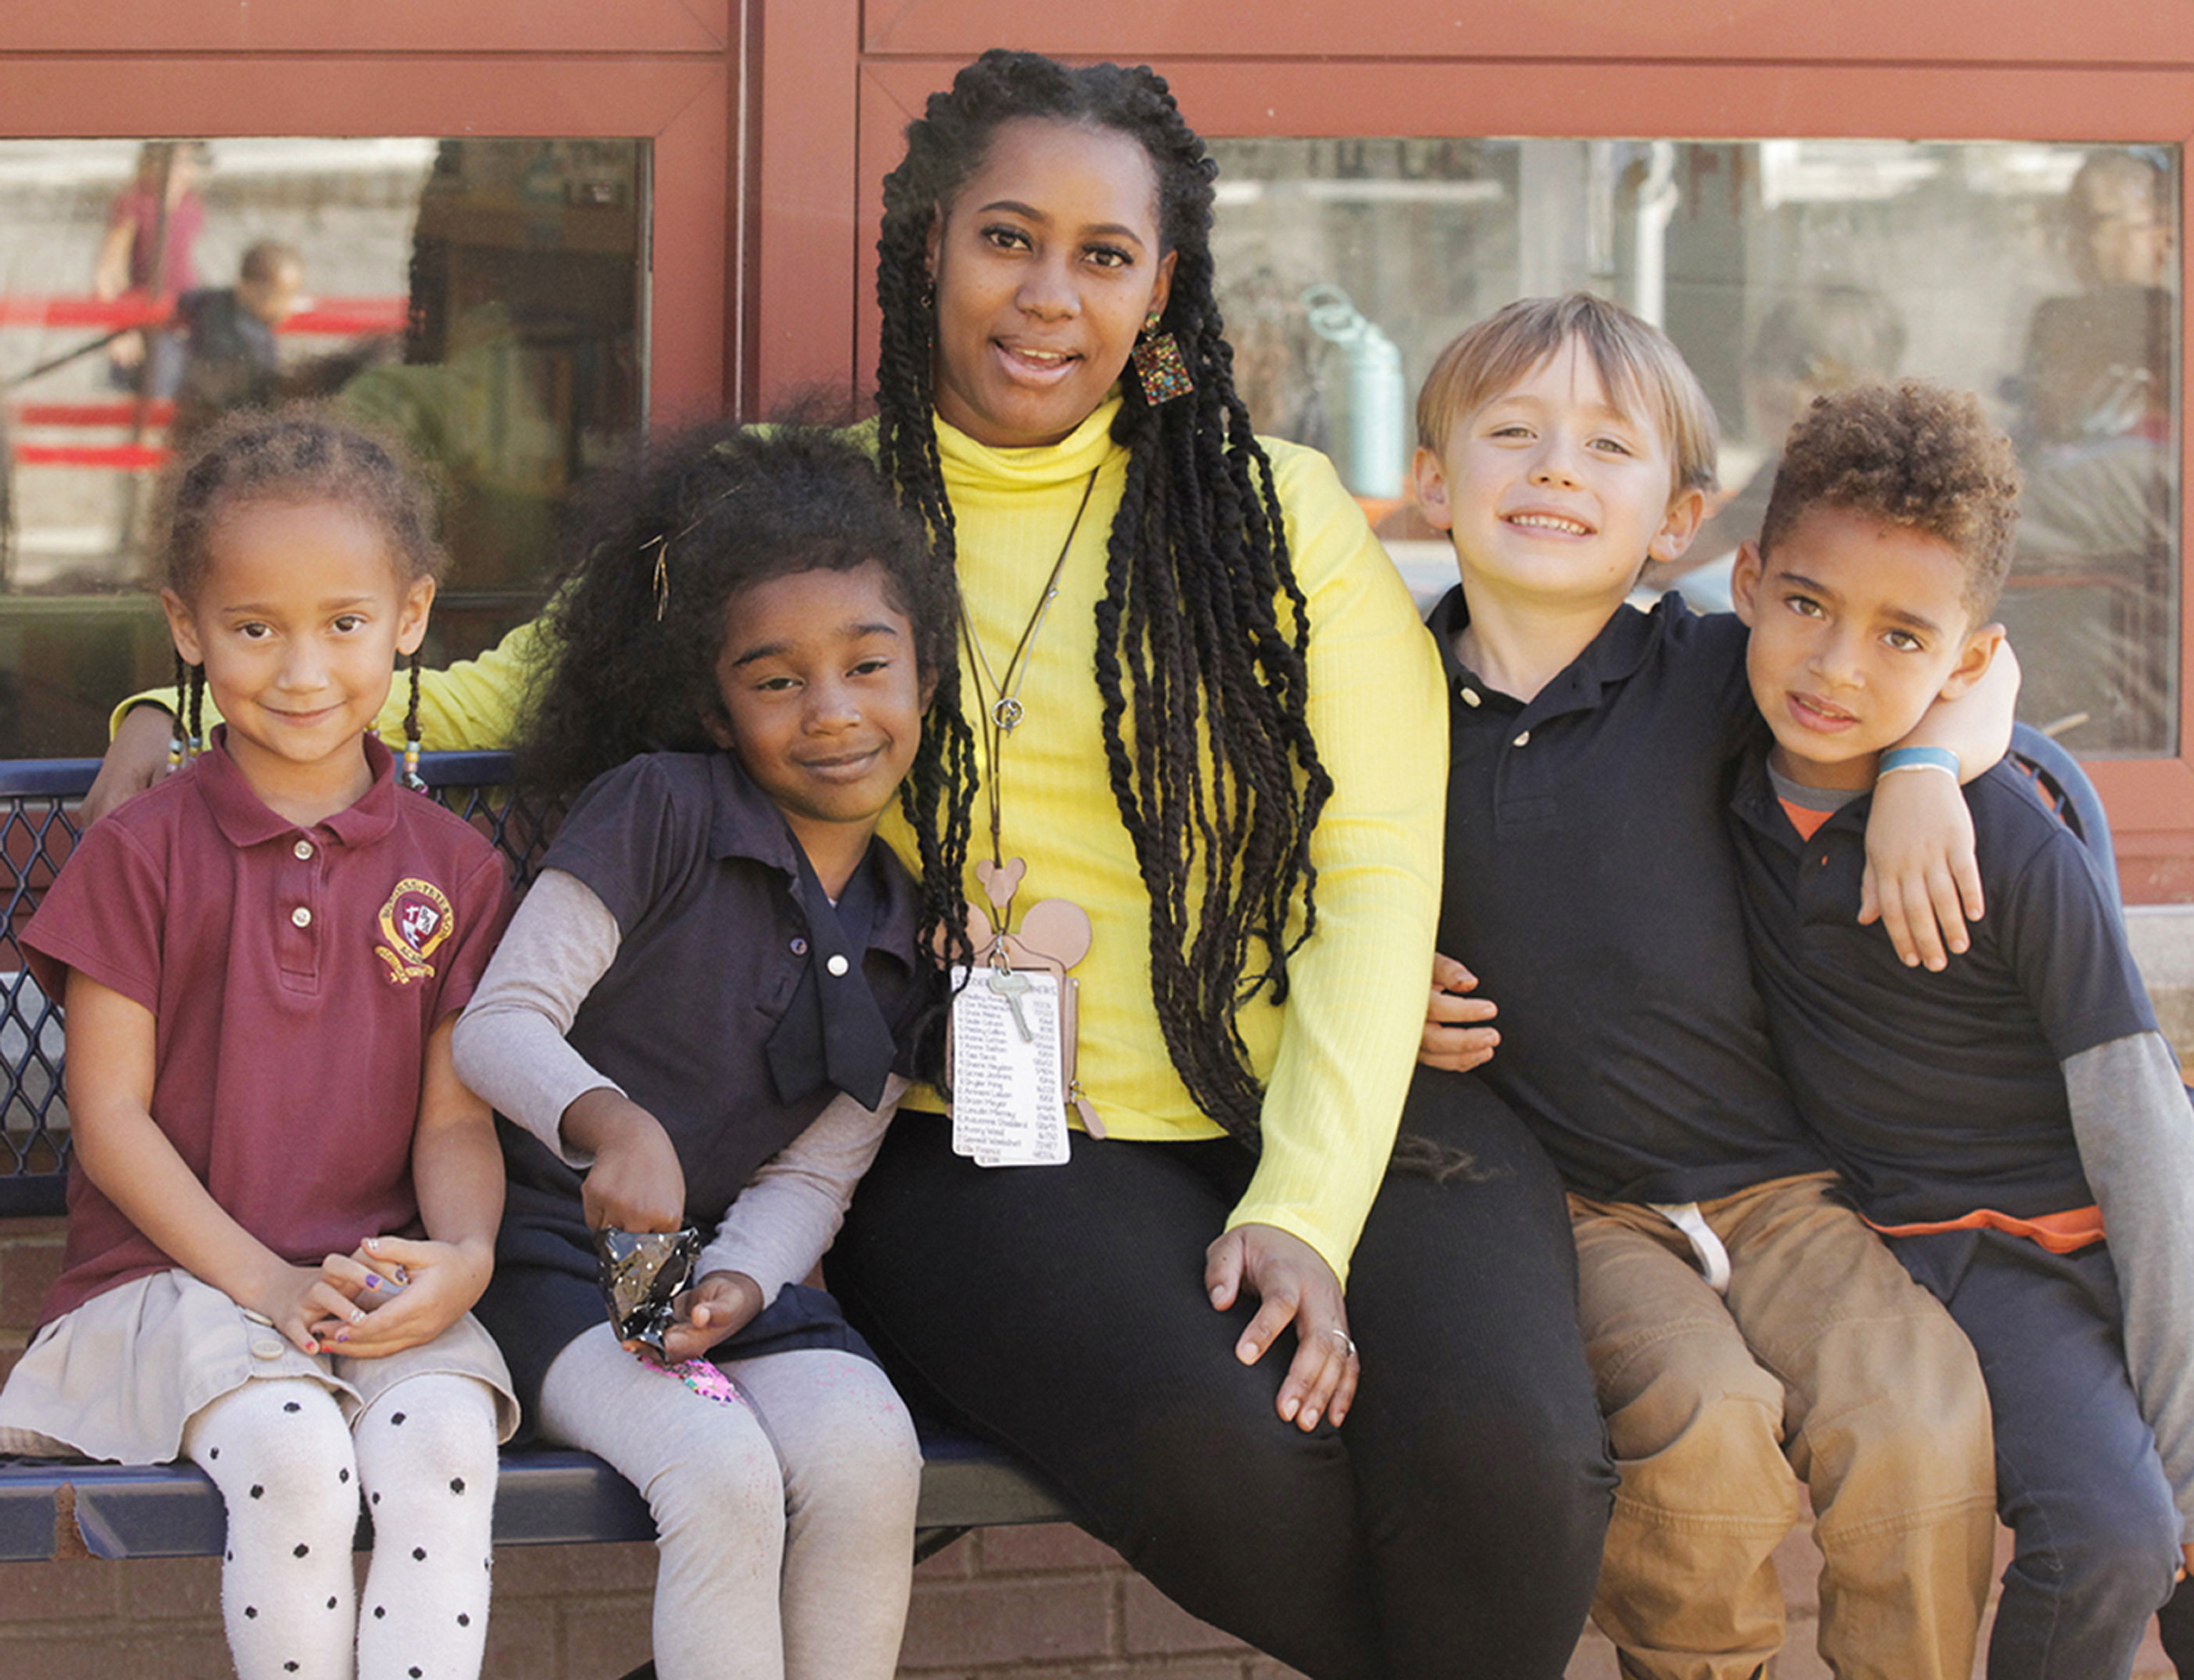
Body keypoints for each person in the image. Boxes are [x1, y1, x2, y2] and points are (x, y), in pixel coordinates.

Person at [83, 49, 1612, 1680]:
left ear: (1162, 288)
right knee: (1231, 1461)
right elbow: (454, 696)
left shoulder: (1279, 513)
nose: (1048, 297)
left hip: (1331, 1093)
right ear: (926, 242)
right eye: (1006, 239)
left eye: (1103, 258)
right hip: (985, 1135)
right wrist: (157, 707)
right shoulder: (796, 510)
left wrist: (1304, 1207)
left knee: (1518, 1473)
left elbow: (1380, 867)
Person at [1411, 294, 2003, 1680]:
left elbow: (1981, 658)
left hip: (1783, 1185)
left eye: (1608, 447)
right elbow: (1290, 890)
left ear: (1677, 521)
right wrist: (1373, 985)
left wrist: (1920, 772)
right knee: (1706, 1430)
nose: (1558, 468)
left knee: (1921, 1423)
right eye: (1515, 434)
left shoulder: (1717, 671)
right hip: (1578, 1202)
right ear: (1433, 484)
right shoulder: (1387, 702)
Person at [0, 406, 518, 1680]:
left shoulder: (455, 867)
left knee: (449, 1444)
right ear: (186, 627)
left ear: (410, 616)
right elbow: (110, 1123)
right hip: (173, 1288)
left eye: (344, 624)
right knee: (292, 1455)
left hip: (371, 1284)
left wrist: (462, 1254)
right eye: (253, 627)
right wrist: (267, 1285)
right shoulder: (142, 852)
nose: (302, 670)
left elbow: (454, 1117)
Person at [450, 425, 966, 1680]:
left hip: (716, 1289)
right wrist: (608, 1121)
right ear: (715, 703)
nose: (832, 711)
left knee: (865, 1451)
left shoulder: (908, 924)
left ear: (925, 675)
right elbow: (498, 1023)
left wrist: (742, 1280)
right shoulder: (661, 810)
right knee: (724, 1472)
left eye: (868, 665)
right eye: (777, 679)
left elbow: (814, 1174)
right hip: (551, 1267)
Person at [1726, 379, 2194, 1680]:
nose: (1835, 667)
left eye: (1901, 638)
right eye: (1808, 606)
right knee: (2109, 1531)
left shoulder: (2010, 844)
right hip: (1933, 1249)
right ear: (1752, 581)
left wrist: (1931, 767)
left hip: (2087, 1243)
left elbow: (2145, 1132)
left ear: (1968, 662)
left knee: (2156, 1529)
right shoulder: (1701, 757)